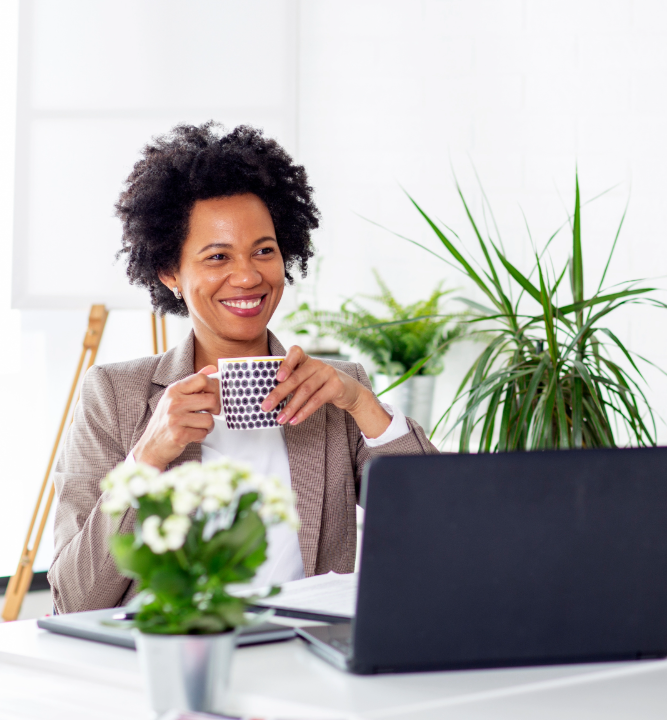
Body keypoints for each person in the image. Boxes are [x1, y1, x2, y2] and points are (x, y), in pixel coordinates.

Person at [48, 123, 437, 615]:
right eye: (217, 256)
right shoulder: (114, 394)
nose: (248, 276)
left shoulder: (338, 391)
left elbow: (436, 524)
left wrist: (362, 404)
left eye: (264, 251)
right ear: (170, 272)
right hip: (175, 649)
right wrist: (147, 458)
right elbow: (75, 598)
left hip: (304, 647)